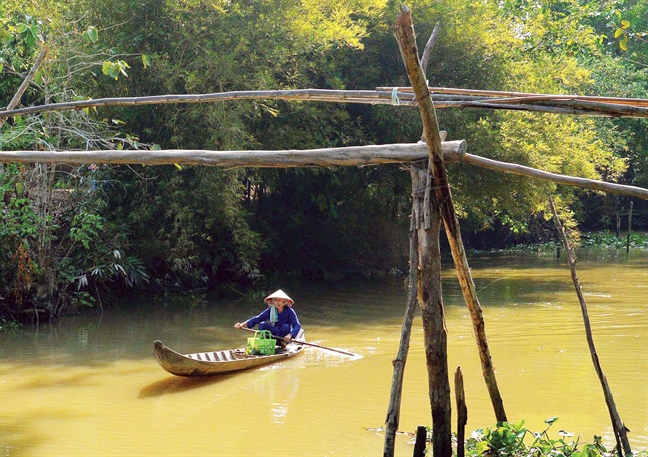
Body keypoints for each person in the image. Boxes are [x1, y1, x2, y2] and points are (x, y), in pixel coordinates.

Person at [234, 289, 302, 346]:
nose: (277, 302)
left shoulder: (290, 311)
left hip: (283, 336)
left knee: (286, 326)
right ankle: (267, 342)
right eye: (275, 300)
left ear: (285, 302)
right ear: (272, 301)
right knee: (262, 324)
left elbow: (297, 325)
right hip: (273, 333)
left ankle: (283, 344)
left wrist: (290, 335)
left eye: (279, 300)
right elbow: (258, 318)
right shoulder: (270, 310)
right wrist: (242, 324)